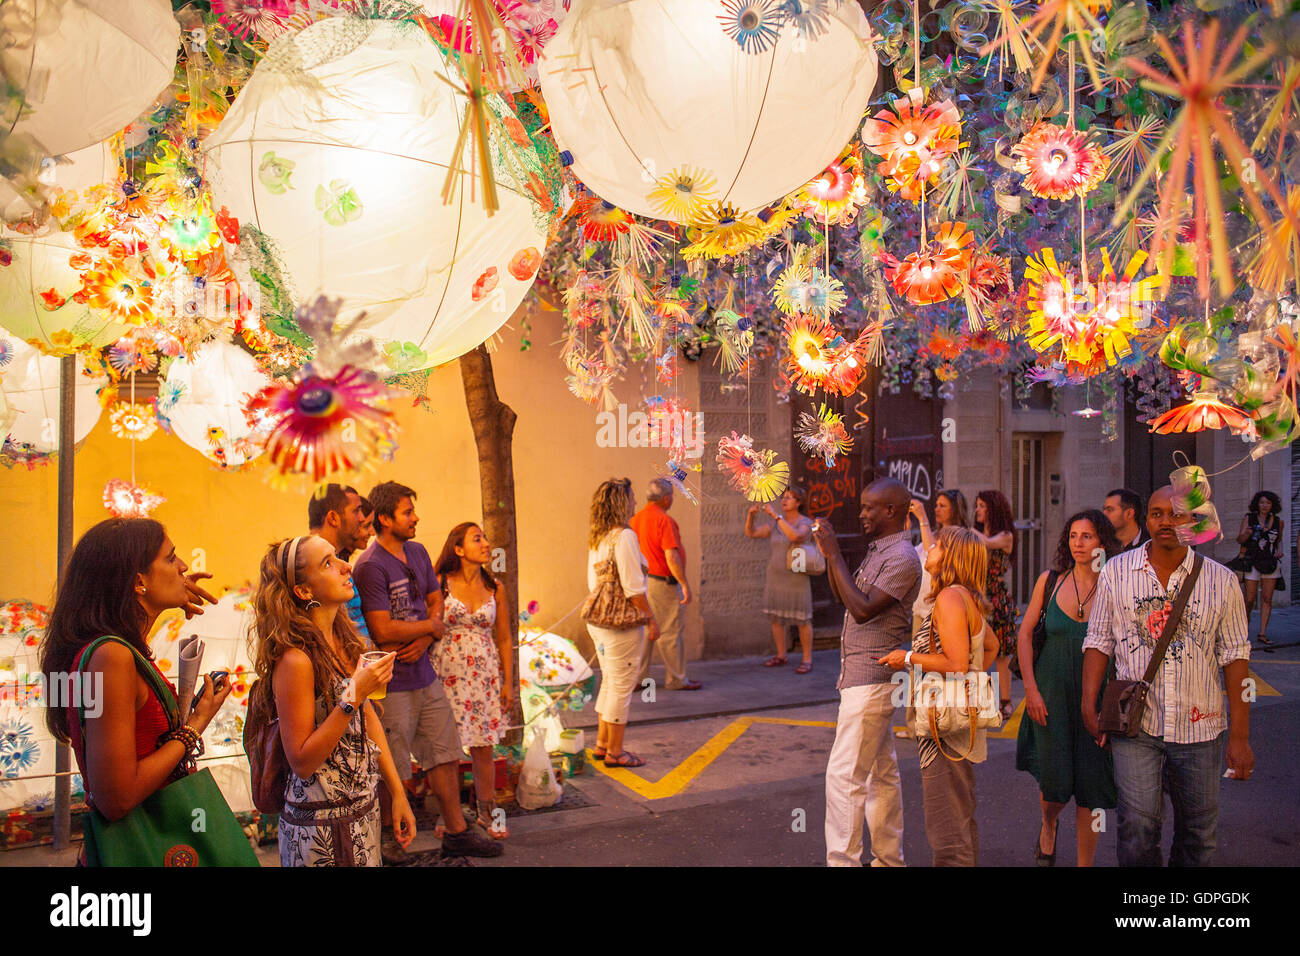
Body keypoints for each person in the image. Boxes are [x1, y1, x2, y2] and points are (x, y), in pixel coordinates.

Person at [39, 519, 230, 866]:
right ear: (138, 581)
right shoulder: (111, 656)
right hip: (139, 845)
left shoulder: (120, 650)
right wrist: (194, 727)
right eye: (171, 558)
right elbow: (117, 797)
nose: (185, 567)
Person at [1082, 487, 1253, 867]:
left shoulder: (1222, 582)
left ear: (1196, 522)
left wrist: (1239, 738)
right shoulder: (1116, 572)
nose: (1166, 522)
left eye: (1177, 515)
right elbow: (1098, 641)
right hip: (1136, 728)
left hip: (1201, 730)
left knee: (1197, 837)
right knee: (1137, 833)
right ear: (1146, 520)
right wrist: (1088, 701)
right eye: (1157, 514)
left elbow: (1236, 660)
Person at [353, 481, 502, 860]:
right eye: (407, 512)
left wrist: (426, 634)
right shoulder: (370, 566)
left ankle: (456, 831)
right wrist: (430, 628)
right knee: (393, 762)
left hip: (425, 672)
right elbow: (382, 629)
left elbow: (436, 600)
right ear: (385, 519)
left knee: (444, 752)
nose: (415, 518)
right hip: (393, 681)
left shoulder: (417, 552)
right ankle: (389, 840)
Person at [252, 534, 416, 866]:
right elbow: (301, 761)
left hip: (360, 813)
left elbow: (367, 721)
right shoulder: (295, 660)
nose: (345, 566)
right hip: (320, 828)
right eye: (328, 563)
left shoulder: (342, 640)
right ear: (303, 591)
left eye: (337, 557)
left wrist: (397, 793)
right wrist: (355, 692)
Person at [810, 478, 921, 867]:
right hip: (866, 677)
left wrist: (835, 553)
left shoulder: (903, 557)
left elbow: (862, 609)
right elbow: (846, 594)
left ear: (892, 510)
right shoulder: (880, 551)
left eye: (869, 507)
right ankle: (890, 859)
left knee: (845, 778)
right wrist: (830, 556)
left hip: (871, 680)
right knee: (880, 772)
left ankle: (844, 861)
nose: (861, 513)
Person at [880, 526, 1000, 866]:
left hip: (944, 728)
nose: (929, 548)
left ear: (951, 556)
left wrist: (905, 658)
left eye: (938, 544)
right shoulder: (963, 597)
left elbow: (957, 664)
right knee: (959, 815)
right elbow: (990, 645)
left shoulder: (949, 598)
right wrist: (971, 687)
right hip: (956, 722)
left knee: (947, 828)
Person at [1015, 510, 1120, 867]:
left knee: (1092, 789)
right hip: (1051, 696)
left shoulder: (1115, 583)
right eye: (1073, 536)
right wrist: (1030, 688)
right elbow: (1025, 634)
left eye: (1087, 536)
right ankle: (1048, 824)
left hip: (1096, 699)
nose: (1078, 543)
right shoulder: (1050, 581)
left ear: (1102, 542)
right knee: (1054, 786)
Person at [433, 522, 515, 839]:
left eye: (485, 537)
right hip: (446, 674)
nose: (485, 543)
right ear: (458, 548)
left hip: (484, 676)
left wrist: (507, 682)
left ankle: (488, 813)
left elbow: (505, 638)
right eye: (476, 538)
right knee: (447, 750)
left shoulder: (495, 587)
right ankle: (449, 815)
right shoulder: (440, 583)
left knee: (484, 747)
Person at [586, 478, 659, 768]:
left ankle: (602, 744)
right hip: (621, 625)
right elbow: (633, 589)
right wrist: (651, 619)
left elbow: (592, 583)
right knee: (621, 685)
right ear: (620, 503)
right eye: (631, 498)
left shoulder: (599, 538)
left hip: (599, 622)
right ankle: (616, 752)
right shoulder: (624, 537)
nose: (636, 503)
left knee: (610, 681)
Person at [631, 478, 702, 690]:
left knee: (647, 631)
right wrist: (684, 584)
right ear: (666, 498)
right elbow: (671, 555)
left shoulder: (635, 519)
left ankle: (639, 678)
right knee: (670, 632)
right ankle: (677, 679)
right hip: (662, 582)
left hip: (643, 582)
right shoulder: (664, 520)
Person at [747, 486, 816, 673]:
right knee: (776, 618)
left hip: (797, 577)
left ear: (799, 502)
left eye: (789, 498)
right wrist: (751, 515)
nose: (784, 501)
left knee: (803, 619)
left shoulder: (806, 522)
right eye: (783, 497)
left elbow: (796, 536)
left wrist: (777, 517)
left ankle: (807, 659)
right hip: (775, 576)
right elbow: (751, 533)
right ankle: (781, 655)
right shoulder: (776, 523)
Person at [972, 489, 1017, 719]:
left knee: (1002, 652)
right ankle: (979, 698)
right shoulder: (977, 533)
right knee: (977, 649)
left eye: (982, 505)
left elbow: (988, 543)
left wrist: (967, 531)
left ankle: (1005, 701)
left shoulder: (1005, 535)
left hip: (998, 597)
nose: (977, 509)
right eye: (976, 505)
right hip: (979, 596)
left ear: (993, 508)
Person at [308, 483, 370, 643]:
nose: (362, 518)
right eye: (356, 511)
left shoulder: (341, 562)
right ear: (333, 518)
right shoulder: (308, 568)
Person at [908, 489, 969, 634]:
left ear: (955, 510)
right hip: (921, 608)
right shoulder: (933, 533)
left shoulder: (960, 536)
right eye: (936, 505)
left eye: (943, 506)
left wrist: (922, 518)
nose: (937, 509)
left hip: (942, 611)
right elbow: (913, 556)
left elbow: (933, 554)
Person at [1236, 491, 1284, 645]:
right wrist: (1248, 533)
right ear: (1257, 503)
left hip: (1270, 563)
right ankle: (1244, 629)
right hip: (1252, 561)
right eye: (1262, 502)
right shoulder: (1249, 518)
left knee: (1267, 598)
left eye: (1268, 503)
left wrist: (1279, 551)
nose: (1265, 506)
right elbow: (1240, 539)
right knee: (1249, 599)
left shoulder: (1278, 521)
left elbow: (1279, 541)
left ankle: (1262, 633)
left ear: (1272, 505)